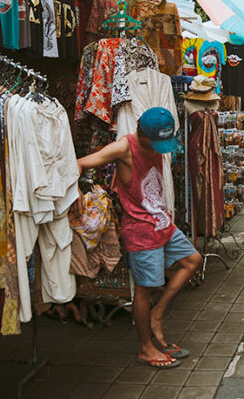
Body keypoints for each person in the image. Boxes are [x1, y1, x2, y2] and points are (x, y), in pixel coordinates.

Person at [75, 107, 202, 369]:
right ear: (142, 134)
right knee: (145, 289)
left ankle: (157, 314)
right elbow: (79, 163)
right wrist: (75, 190)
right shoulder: (124, 147)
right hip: (141, 231)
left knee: (193, 261)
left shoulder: (153, 143)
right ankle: (146, 348)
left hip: (163, 224)